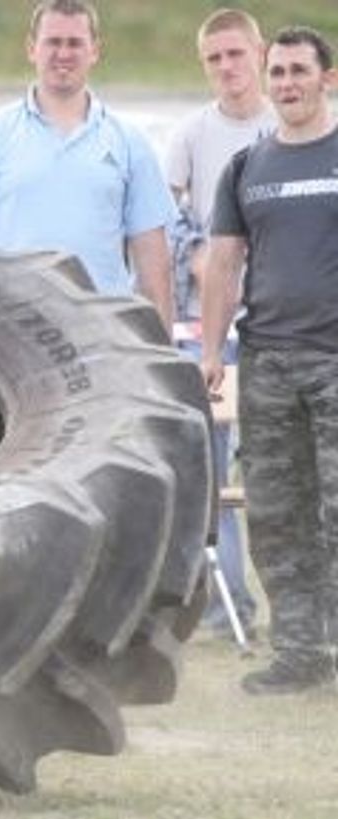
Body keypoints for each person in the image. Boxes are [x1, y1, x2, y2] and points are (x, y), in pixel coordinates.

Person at [201, 26, 338, 695]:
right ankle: (299, 654)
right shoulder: (247, 167)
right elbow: (223, 262)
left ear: (328, 78)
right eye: (277, 71)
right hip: (269, 364)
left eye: (299, 71)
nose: (286, 83)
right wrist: (209, 349)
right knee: (280, 517)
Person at [0, 0, 176, 329]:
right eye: (53, 42)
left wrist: (163, 354)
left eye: (75, 43)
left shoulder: (130, 141)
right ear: (32, 48)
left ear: (95, 51)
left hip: (106, 334)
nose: (64, 53)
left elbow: (153, 260)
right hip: (13, 329)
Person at [166, 8, 276, 639]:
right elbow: (172, 219)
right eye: (215, 58)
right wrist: (198, 254)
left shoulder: (290, 125)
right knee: (208, 470)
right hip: (211, 328)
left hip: (287, 323)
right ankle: (225, 606)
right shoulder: (189, 136)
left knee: (283, 473)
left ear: (258, 54)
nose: (227, 68)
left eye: (237, 54)